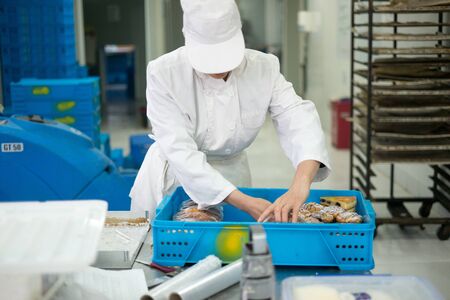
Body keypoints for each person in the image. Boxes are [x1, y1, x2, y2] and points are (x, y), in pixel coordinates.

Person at [130, 0, 331, 223]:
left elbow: (297, 116)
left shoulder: (263, 68)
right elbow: (178, 150)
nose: (218, 68)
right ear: (187, 36)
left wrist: (300, 183)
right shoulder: (164, 73)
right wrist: (244, 202)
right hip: (175, 177)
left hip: (234, 177)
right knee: (164, 251)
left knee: (231, 251)